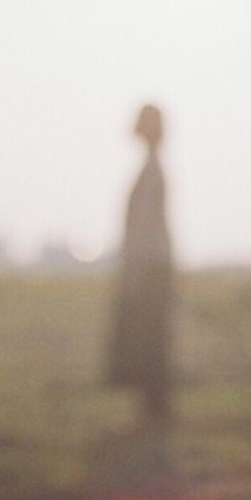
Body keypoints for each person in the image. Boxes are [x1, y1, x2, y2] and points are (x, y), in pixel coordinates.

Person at [106, 104, 174, 426]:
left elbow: (144, 230)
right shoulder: (153, 168)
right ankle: (151, 414)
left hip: (148, 268)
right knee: (150, 340)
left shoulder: (152, 171)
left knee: (148, 340)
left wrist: (133, 274)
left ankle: (153, 415)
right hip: (153, 266)